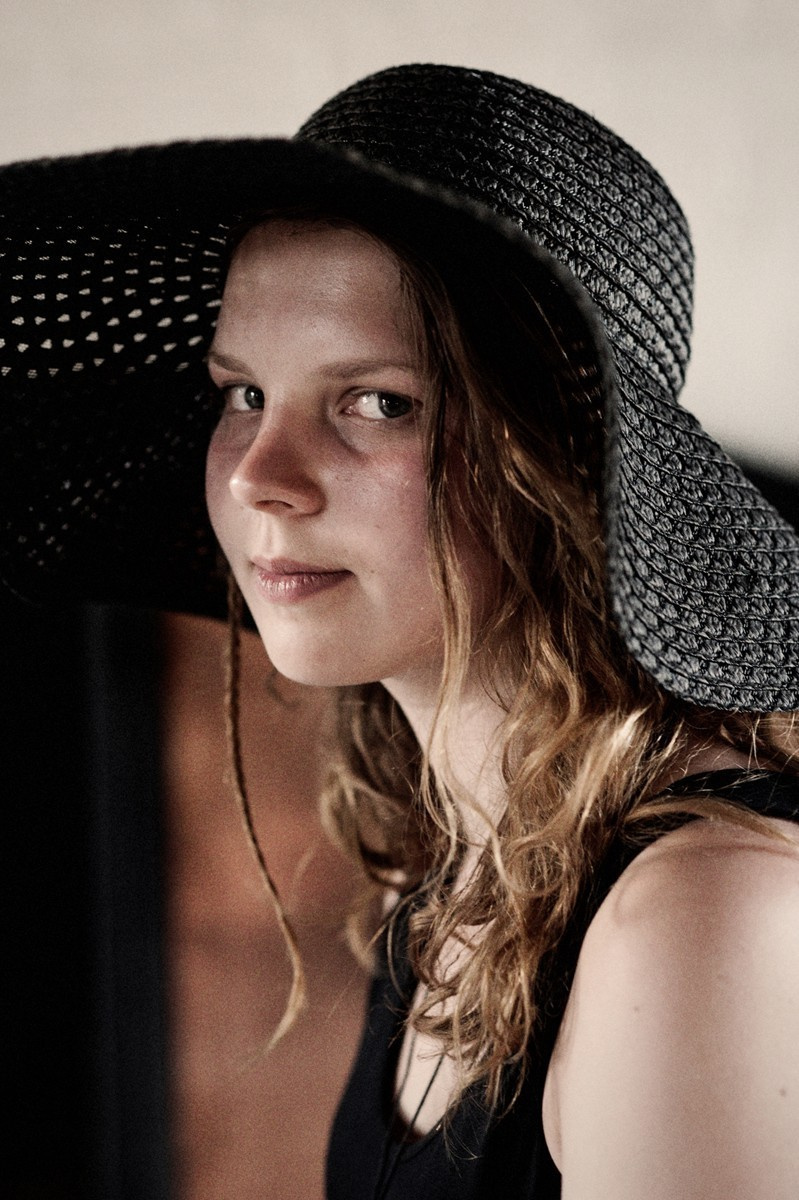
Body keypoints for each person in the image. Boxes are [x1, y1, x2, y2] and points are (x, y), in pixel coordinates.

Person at [2, 63, 799, 1199]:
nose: (263, 479)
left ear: (563, 467)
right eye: (242, 394)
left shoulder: (695, 921)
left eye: (377, 401)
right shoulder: (452, 878)